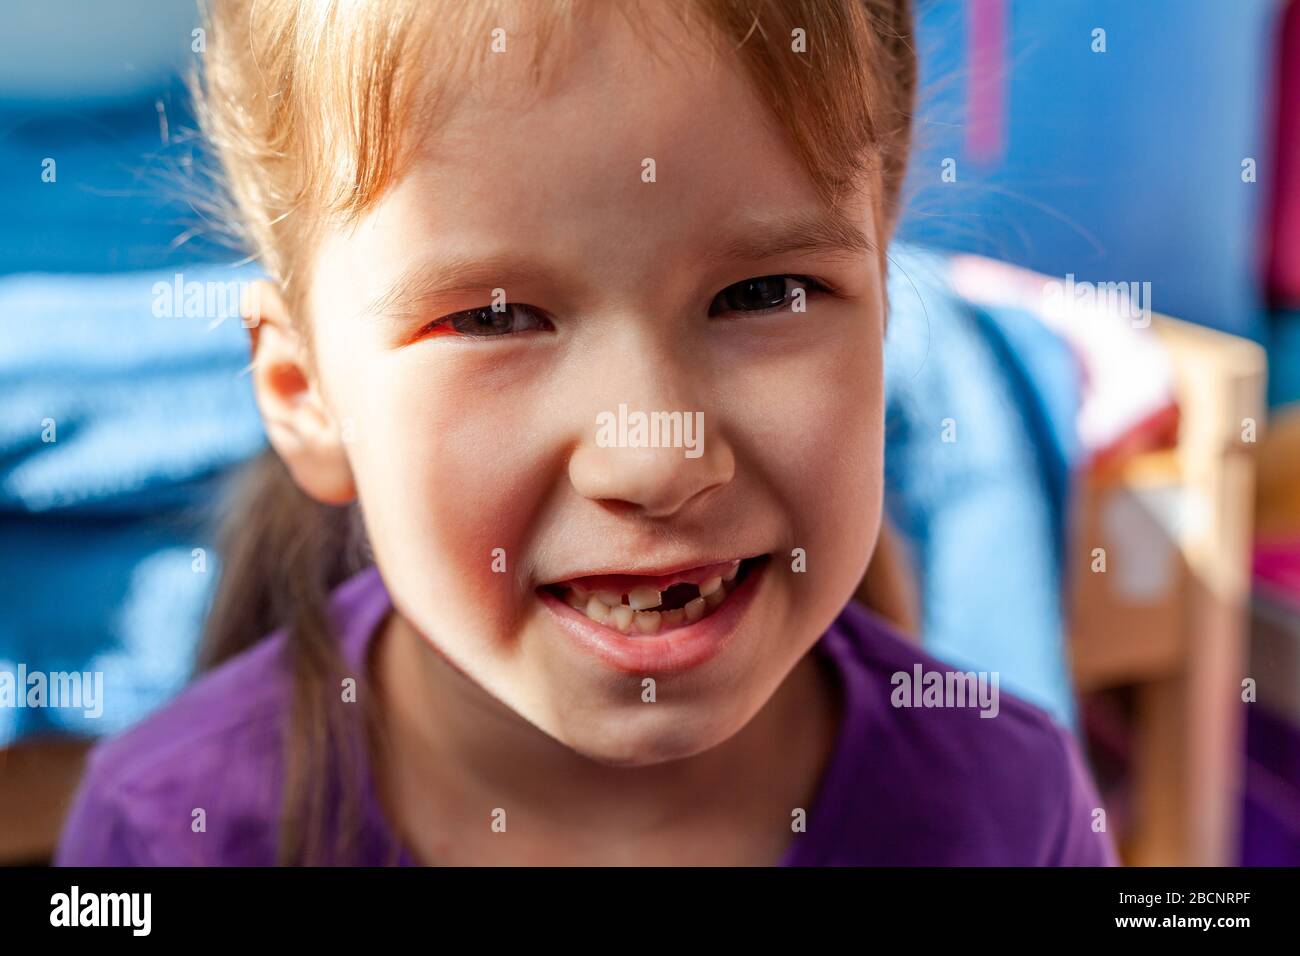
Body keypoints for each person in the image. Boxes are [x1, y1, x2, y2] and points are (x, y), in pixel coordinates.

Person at [55, 0, 1117, 866]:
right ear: (305, 392)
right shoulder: (165, 835)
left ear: (885, 313)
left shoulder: (1010, 815)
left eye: (764, 292)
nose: (654, 458)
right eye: (494, 316)